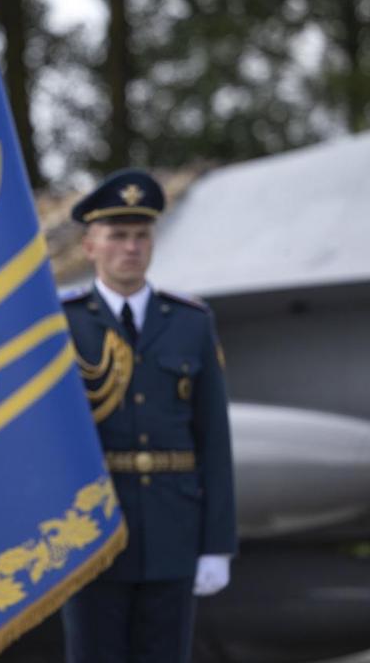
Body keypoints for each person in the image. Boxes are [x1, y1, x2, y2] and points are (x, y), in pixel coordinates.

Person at [59, 168, 237, 663]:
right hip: (91, 532)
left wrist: (217, 543)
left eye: (141, 235)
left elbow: (214, 439)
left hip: (172, 531)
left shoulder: (191, 323)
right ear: (90, 245)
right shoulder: (60, 324)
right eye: (117, 235)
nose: (131, 247)